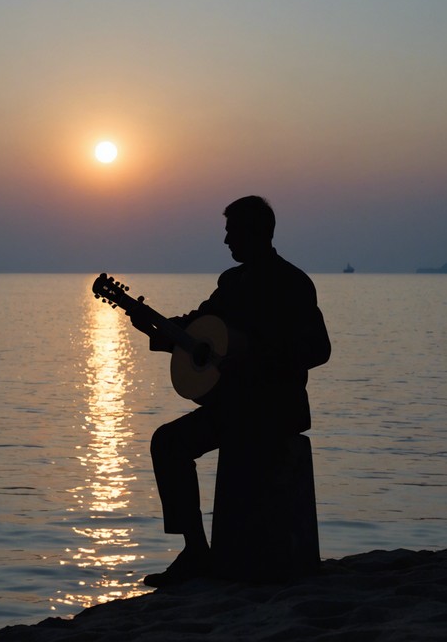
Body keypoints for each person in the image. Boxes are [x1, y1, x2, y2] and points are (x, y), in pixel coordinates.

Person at [126, 195, 331, 587]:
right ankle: (195, 551)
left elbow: (318, 349)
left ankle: (223, 556)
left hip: (274, 408)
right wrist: (157, 327)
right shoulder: (231, 282)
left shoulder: (291, 283)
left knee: (188, 442)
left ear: (256, 232)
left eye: (231, 232)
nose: (226, 242)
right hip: (235, 406)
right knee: (168, 443)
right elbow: (201, 326)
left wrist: (258, 358)